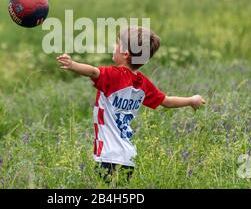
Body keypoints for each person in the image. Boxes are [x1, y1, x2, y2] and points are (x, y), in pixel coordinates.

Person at [57, 26, 205, 182]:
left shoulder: (115, 75)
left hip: (108, 155)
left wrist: (73, 65)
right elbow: (166, 101)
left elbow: (94, 72)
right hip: (128, 157)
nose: (114, 47)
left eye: (117, 43)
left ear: (125, 53)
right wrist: (191, 100)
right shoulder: (143, 83)